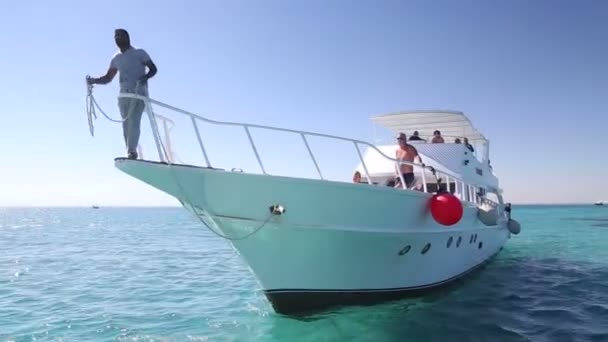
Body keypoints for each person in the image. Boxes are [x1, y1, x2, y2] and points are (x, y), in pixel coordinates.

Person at [86, 28, 158, 159]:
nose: (118, 38)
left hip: (139, 94)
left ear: (127, 37)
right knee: (126, 124)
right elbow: (108, 78)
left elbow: (153, 69)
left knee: (134, 121)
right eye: (115, 36)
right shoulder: (116, 58)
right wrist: (93, 81)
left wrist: (146, 77)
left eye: (120, 35)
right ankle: (129, 151)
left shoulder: (139, 53)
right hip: (124, 95)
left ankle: (132, 151)